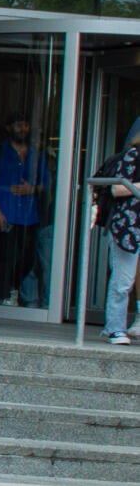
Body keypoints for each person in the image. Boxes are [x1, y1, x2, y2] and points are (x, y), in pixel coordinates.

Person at [0, 112, 51, 307]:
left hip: (28, 215)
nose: (22, 129)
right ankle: (2, 296)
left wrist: (32, 189)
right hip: (4, 212)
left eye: (25, 125)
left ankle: (12, 288)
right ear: (8, 128)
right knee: (4, 255)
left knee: (28, 257)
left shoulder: (36, 155)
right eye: (18, 125)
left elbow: (48, 183)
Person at [93, 118, 140, 344]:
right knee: (123, 281)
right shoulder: (134, 155)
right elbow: (117, 188)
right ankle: (115, 328)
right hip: (127, 226)